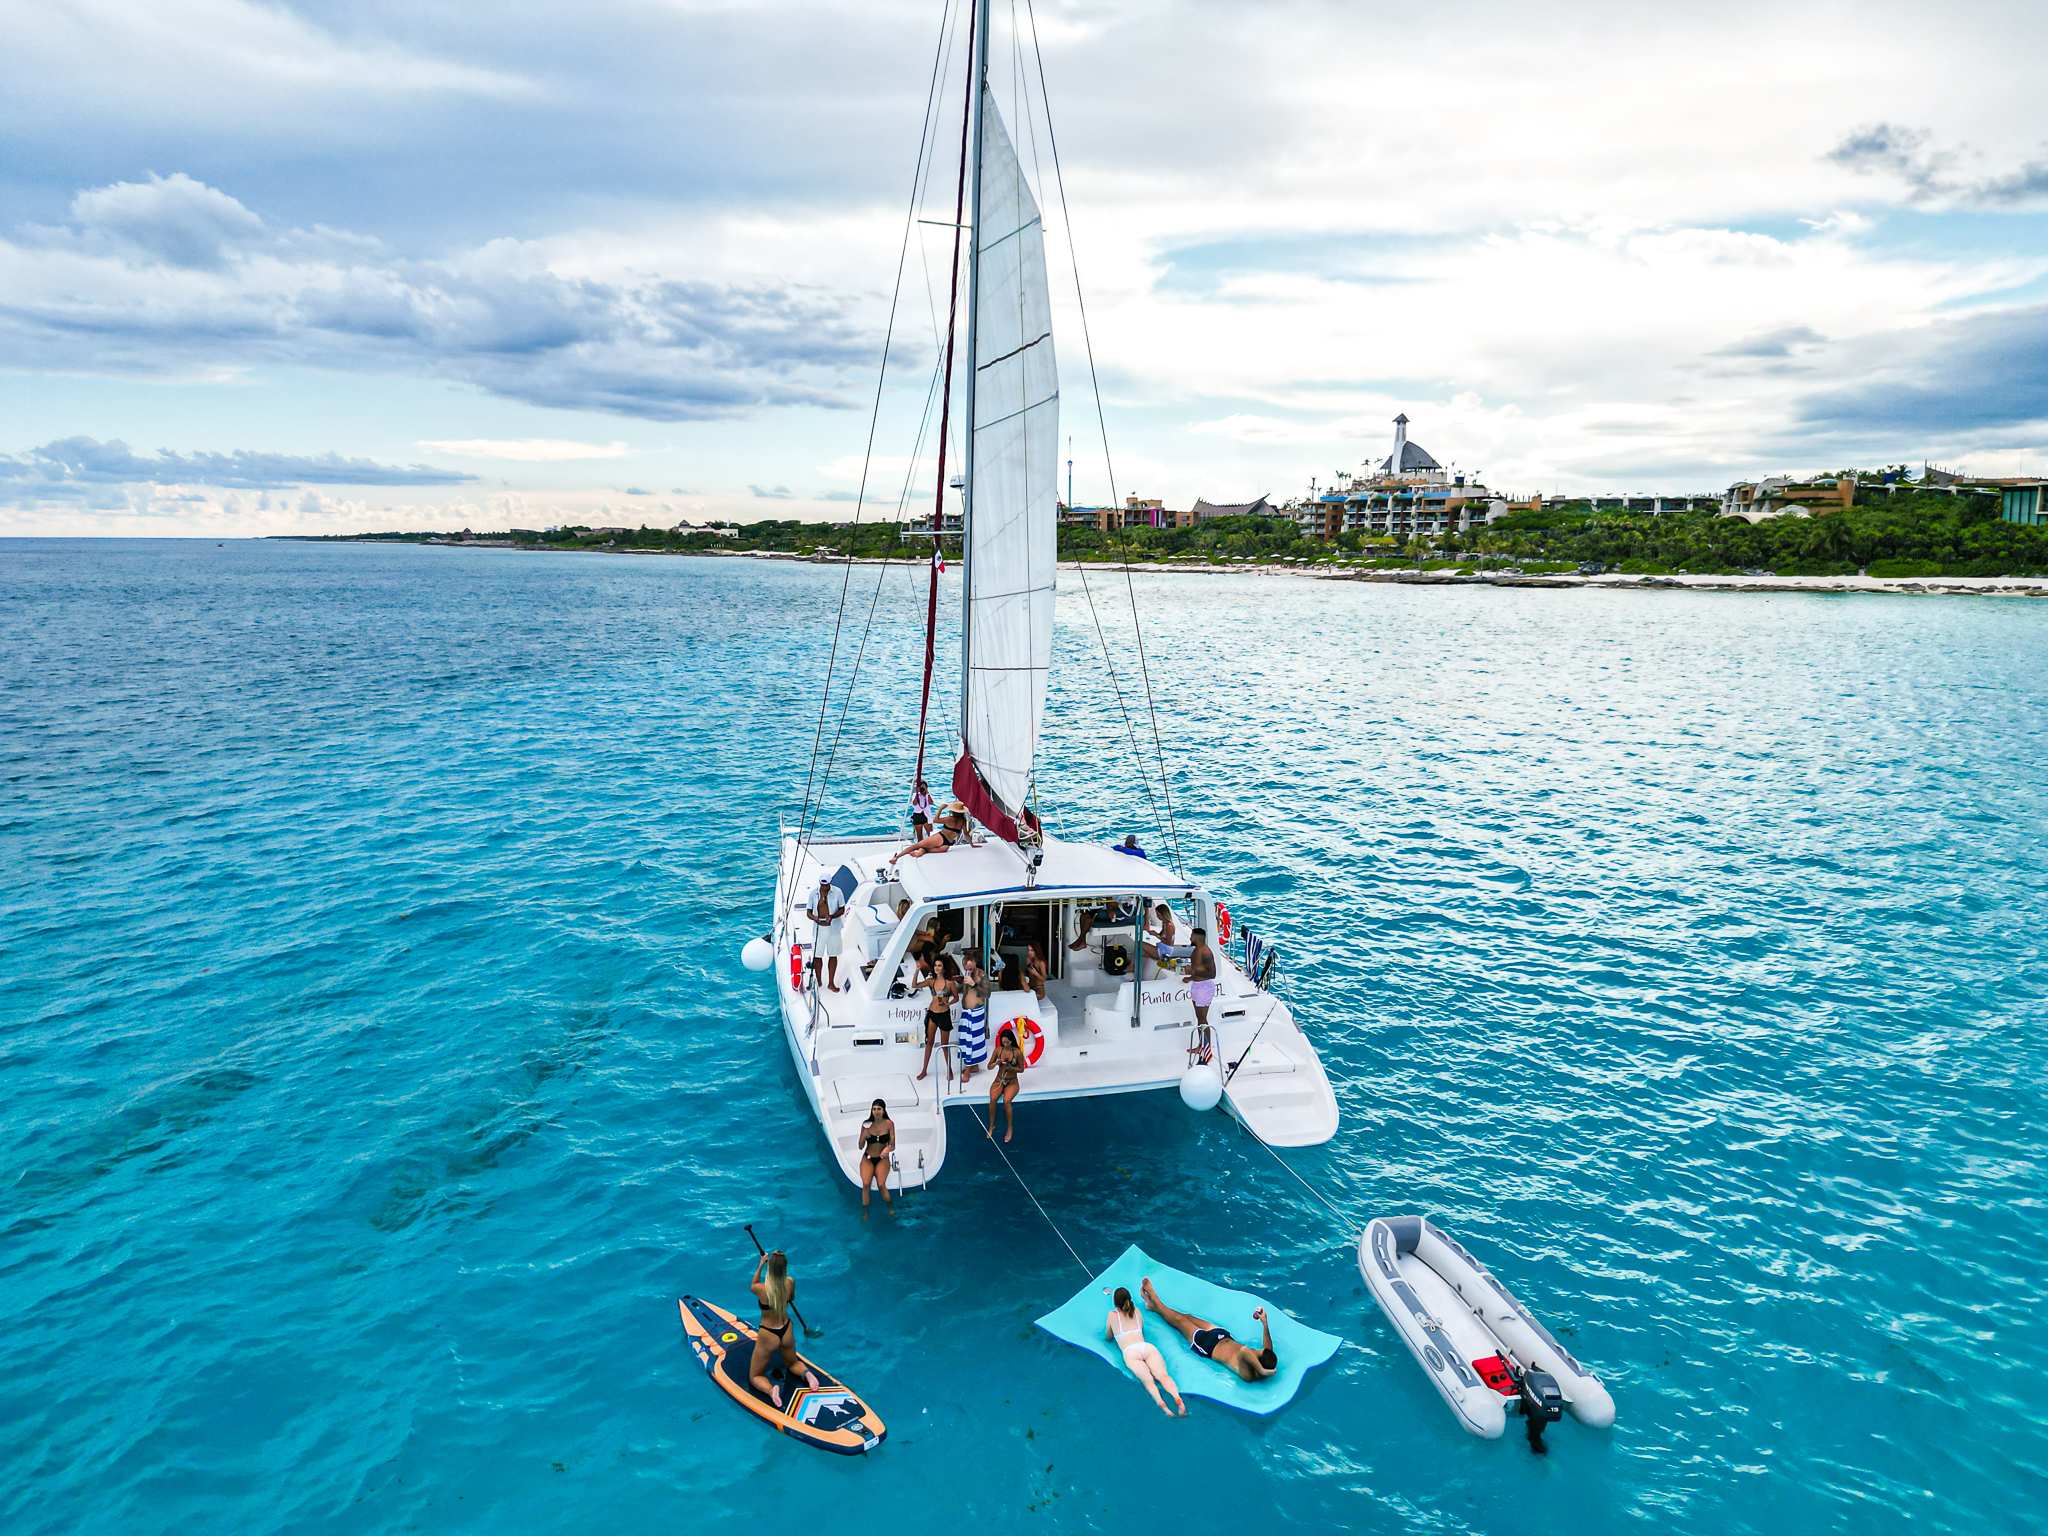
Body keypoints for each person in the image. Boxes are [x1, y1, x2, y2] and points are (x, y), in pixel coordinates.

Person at [1141, 1278, 1277, 1382]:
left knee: (1179, 1321)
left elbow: (1244, 1351)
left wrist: (1262, 1371)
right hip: (1222, 1335)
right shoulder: (1263, 1357)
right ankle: (1153, 1306)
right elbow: (1268, 1348)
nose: (1258, 1350)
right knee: (1188, 1317)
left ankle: (1155, 1299)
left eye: (1259, 1353)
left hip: (1208, 1345)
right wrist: (1264, 1323)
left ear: (1259, 1366)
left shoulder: (1248, 1374)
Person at [749, 1250, 817, 1406]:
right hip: (786, 1329)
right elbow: (791, 1297)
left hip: (769, 1335)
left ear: (770, 1268)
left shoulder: (762, 1289)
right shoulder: (789, 1282)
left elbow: (752, 1285)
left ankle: (771, 1390)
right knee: (792, 1363)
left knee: (755, 1376)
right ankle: (808, 1375)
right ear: (785, 1268)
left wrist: (760, 1264)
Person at [1106, 1286, 1185, 1417]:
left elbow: (1109, 1336)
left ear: (1115, 1303)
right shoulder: (1137, 1311)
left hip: (1130, 1352)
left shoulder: (1112, 1315)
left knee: (1148, 1381)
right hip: (1146, 1347)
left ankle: (1162, 1404)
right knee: (1163, 1376)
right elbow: (1140, 1329)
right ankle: (1177, 1399)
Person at [914, 952, 960, 1082]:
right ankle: (924, 1070)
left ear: (944, 968)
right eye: (935, 965)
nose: (936, 968)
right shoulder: (931, 981)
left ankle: (949, 1069)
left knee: (945, 1044)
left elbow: (956, 998)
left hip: (944, 1014)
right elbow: (915, 986)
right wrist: (917, 971)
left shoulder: (950, 983)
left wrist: (948, 1003)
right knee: (930, 1042)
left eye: (939, 965)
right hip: (933, 1013)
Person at [807, 876, 848, 992]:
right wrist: (815, 918)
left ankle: (831, 982)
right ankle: (818, 981)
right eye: (822, 884)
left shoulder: (838, 892)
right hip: (819, 929)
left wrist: (832, 916)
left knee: (833, 955)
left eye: (826, 885)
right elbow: (808, 912)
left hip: (833, 929)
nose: (824, 887)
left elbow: (842, 909)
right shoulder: (813, 894)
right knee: (817, 956)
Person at [987, 1024, 1026, 1142]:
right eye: (1004, 1043)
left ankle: (1009, 1127)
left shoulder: (1017, 1052)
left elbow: (1022, 1069)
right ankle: (991, 1125)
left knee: (1006, 1101)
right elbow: (989, 1066)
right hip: (999, 1079)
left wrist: (1012, 1069)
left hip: (1012, 1081)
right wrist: (995, 1064)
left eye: (1008, 1042)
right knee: (993, 1100)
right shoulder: (998, 1050)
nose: (1006, 1045)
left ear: (1011, 1041)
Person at [955, 954, 990, 1086]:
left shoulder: (982, 976)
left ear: (974, 963)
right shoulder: (967, 975)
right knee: (965, 1040)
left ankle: (968, 1070)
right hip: (966, 1012)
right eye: (965, 966)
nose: (967, 968)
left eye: (969, 966)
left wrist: (974, 984)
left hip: (976, 1013)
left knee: (972, 1040)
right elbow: (962, 989)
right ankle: (974, 1066)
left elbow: (988, 994)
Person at [858, 1098, 895, 1217]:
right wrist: (864, 1135)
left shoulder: (889, 1124)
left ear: (884, 1110)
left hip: (882, 1159)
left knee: (881, 1184)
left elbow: (893, 1145)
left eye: (879, 1109)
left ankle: (890, 1207)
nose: (876, 1111)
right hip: (868, 1158)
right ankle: (865, 1210)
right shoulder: (866, 1124)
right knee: (866, 1184)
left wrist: (887, 1149)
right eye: (874, 1109)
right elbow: (860, 1146)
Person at [1186, 925, 1217, 1032]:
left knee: (1202, 1020)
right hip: (1196, 985)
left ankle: (1207, 1047)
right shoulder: (1195, 951)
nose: (1190, 938)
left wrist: (1193, 971)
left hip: (1204, 988)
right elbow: (1199, 968)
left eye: (1192, 936)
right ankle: (1201, 1045)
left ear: (1197, 938)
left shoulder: (1206, 953)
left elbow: (1212, 974)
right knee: (1199, 1018)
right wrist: (1190, 978)